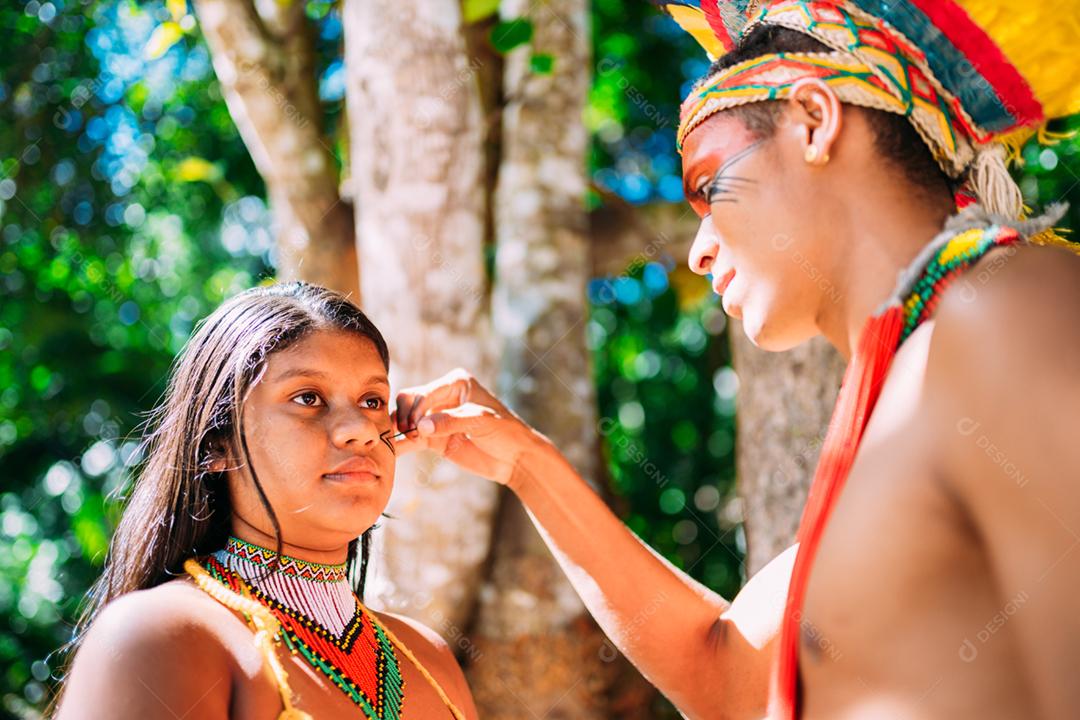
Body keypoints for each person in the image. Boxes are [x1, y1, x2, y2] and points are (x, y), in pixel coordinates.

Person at [390, 1, 1080, 718]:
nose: (698, 250)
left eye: (706, 185)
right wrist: (525, 465)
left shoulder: (1001, 315)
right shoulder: (904, 400)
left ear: (814, 121)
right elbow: (720, 669)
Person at [50, 282, 478, 720]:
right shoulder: (156, 637)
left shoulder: (433, 663)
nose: (362, 429)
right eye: (307, 398)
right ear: (217, 445)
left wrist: (524, 459)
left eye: (372, 401)